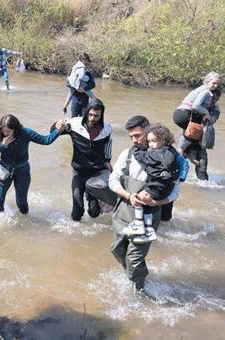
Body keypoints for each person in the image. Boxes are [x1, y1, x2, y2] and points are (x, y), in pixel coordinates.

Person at [109, 115, 180, 296]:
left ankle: (140, 292)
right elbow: (113, 180)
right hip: (123, 212)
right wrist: (129, 195)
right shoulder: (127, 154)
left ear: (148, 131)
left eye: (138, 135)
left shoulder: (168, 155)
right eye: (131, 136)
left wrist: (157, 201)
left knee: (134, 259)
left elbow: (175, 191)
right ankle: (135, 278)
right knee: (118, 250)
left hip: (148, 217)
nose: (135, 140)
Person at [0, 114, 65, 214]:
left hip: (22, 171)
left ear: (15, 129)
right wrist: (3, 144)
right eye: (3, 130)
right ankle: (0, 221)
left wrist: (58, 131)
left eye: (8, 131)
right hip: (3, 169)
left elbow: (46, 140)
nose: (5, 133)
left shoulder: (26, 133)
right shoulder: (0, 134)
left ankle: (26, 220)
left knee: (21, 203)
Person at [54, 98, 113, 221]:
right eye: (90, 115)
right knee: (77, 210)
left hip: (97, 173)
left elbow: (108, 146)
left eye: (96, 116)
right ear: (87, 112)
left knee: (94, 213)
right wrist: (57, 125)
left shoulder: (107, 129)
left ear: (101, 115)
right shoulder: (75, 124)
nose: (92, 118)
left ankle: (92, 196)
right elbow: (54, 132)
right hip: (79, 171)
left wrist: (108, 161)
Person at [122, 124, 181, 244]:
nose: (151, 144)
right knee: (148, 206)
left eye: (154, 141)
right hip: (167, 188)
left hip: (156, 186)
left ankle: (138, 223)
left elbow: (141, 156)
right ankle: (149, 231)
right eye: (149, 141)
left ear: (163, 140)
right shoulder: (172, 152)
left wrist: (136, 149)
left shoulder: (153, 153)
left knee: (139, 198)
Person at [173, 71, 221, 159]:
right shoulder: (206, 91)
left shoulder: (200, 89)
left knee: (189, 135)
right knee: (197, 135)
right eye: (214, 83)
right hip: (184, 114)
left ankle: (183, 152)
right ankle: (182, 152)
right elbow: (196, 105)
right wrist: (206, 113)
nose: (216, 86)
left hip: (179, 113)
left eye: (217, 84)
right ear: (207, 81)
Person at [177, 88, 221, 181]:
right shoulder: (195, 106)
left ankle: (203, 187)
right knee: (178, 164)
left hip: (201, 139)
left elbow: (211, 120)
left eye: (216, 99)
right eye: (212, 99)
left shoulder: (215, 109)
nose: (213, 101)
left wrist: (206, 114)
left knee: (203, 165)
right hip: (187, 138)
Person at [62, 53, 96, 118]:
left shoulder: (89, 74)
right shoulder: (74, 72)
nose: (87, 65)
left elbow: (93, 84)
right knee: (73, 119)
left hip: (85, 102)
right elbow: (68, 83)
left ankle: (98, 105)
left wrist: (84, 89)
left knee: (83, 120)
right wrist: (76, 88)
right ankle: (64, 107)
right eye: (86, 63)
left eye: (88, 64)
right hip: (75, 102)